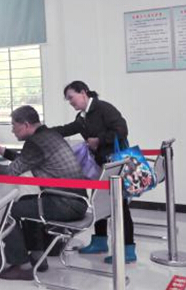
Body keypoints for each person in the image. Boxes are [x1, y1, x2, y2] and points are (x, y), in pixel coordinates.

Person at [0, 106, 87, 281]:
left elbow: (10, 173)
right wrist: (2, 151)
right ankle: (38, 258)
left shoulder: (35, 142)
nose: (12, 130)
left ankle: (21, 265)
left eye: (13, 125)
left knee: (6, 211)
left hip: (65, 204)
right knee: (26, 202)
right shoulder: (49, 135)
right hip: (77, 201)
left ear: (25, 125)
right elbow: (28, 160)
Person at [52, 80, 136, 263]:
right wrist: (41, 132)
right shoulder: (82, 117)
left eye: (71, 97)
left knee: (120, 207)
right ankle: (99, 241)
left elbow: (122, 130)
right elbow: (67, 129)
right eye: (68, 99)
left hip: (115, 165)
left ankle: (128, 249)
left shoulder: (104, 108)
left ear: (83, 93)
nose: (70, 102)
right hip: (100, 166)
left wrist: (99, 140)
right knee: (98, 202)